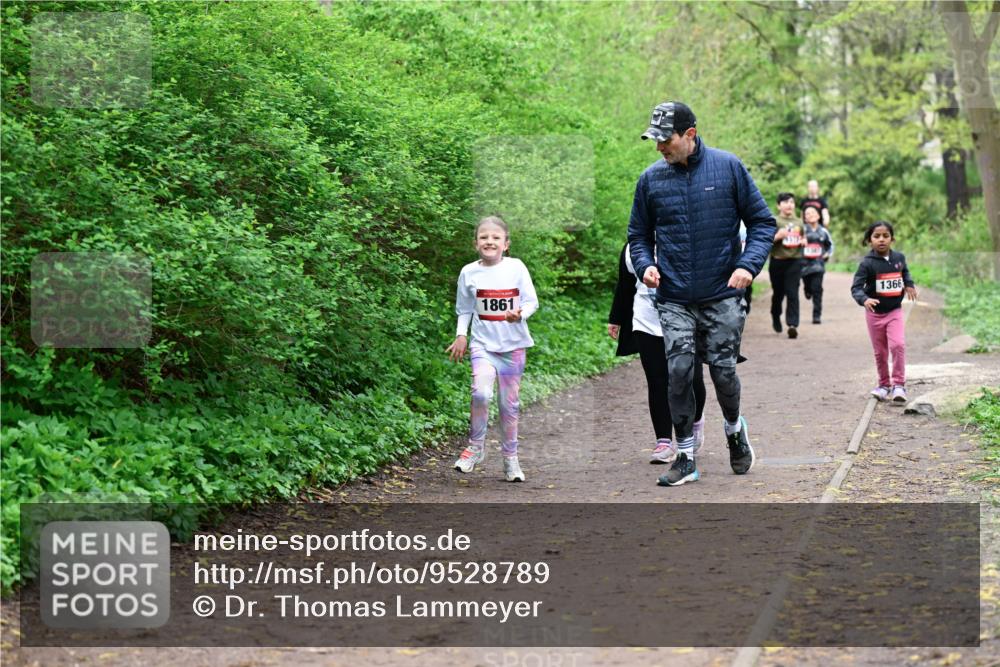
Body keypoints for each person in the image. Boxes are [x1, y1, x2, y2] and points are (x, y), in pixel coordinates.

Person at [628, 101, 775, 487]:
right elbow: (638, 236)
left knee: (723, 373)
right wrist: (645, 266)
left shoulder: (728, 167)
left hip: (722, 293)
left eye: (666, 139)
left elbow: (762, 222)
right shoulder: (650, 180)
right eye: (655, 140)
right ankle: (687, 456)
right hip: (674, 296)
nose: (659, 147)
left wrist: (747, 265)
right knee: (678, 372)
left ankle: (733, 429)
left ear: (689, 135)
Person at [447, 216, 538, 481]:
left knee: (508, 406)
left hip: (513, 347)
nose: (490, 241)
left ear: (506, 244)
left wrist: (520, 314)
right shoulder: (468, 272)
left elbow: (532, 302)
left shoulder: (517, 268)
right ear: (475, 243)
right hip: (483, 345)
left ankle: (511, 460)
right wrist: (461, 335)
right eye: (484, 237)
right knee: (481, 394)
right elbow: (464, 309)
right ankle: (475, 448)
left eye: (496, 237)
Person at [608, 243, 708, 463]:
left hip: (686, 319)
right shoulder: (632, 248)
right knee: (657, 381)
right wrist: (615, 318)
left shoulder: (682, 238)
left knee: (692, 379)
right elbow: (625, 285)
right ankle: (664, 441)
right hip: (646, 322)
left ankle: (696, 420)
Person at [850, 221, 917, 404]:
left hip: (894, 311)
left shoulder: (899, 258)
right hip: (874, 314)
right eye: (876, 236)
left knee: (898, 345)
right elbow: (856, 288)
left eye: (885, 236)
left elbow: (905, 273)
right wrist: (864, 299)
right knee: (880, 352)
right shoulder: (867, 264)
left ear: (892, 239)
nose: (881, 240)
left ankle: (899, 386)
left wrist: (909, 284)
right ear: (869, 240)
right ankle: (884, 385)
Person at [769, 193, 806, 339]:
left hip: (795, 261)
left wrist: (804, 241)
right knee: (778, 293)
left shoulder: (800, 222)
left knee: (792, 293)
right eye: (785, 202)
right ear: (779, 205)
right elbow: (765, 241)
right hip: (777, 261)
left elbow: (804, 238)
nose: (789, 205)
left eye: (791, 202)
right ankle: (775, 315)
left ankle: (792, 325)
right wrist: (777, 236)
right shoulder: (773, 221)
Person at [800, 204, 834, 324]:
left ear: (818, 216)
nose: (811, 215)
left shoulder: (823, 231)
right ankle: (806, 289)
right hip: (804, 266)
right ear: (804, 218)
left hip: (819, 265)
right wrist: (801, 242)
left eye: (813, 213)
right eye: (807, 214)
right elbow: (795, 244)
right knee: (809, 287)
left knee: (817, 289)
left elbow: (830, 245)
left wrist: (827, 254)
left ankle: (816, 315)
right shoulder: (801, 230)